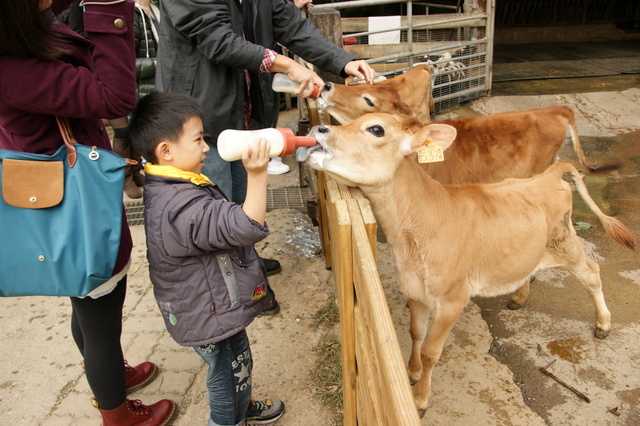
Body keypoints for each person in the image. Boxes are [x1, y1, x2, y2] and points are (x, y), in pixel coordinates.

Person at [0, 1, 175, 424]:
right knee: (100, 314)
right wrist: (110, 8)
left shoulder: (14, 39)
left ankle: (109, 374)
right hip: (77, 209)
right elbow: (115, 98)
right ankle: (116, 413)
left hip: (65, 200)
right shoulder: (15, 69)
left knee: (88, 304)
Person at [156, 0, 374, 277]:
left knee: (241, 200)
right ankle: (219, 286)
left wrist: (344, 61)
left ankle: (244, 267)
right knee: (211, 207)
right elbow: (216, 39)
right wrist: (286, 65)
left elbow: (292, 25)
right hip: (199, 119)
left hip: (244, 112)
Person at [129, 91, 285, 426]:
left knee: (236, 363)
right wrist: (257, 175)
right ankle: (228, 418)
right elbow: (247, 226)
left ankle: (241, 407)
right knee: (226, 376)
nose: (205, 148)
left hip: (211, 307)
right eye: (198, 139)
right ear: (165, 151)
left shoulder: (171, 185)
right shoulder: (179, 205)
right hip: (208, 314)